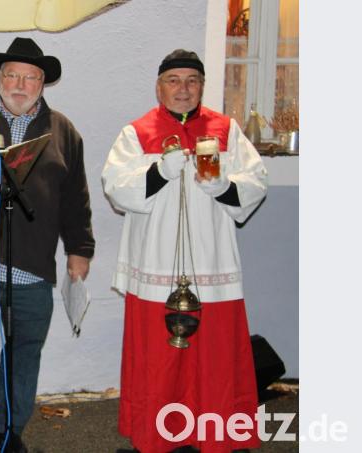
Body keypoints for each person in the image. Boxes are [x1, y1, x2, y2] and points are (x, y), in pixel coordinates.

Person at [101, 49, 268, 453]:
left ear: (202, 86)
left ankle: (215, 434)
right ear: (159, 86)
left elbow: (256, 179)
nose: (183, 89)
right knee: (159, 357)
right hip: (154, 259)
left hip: (213, 262)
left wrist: (222, 186)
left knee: (215, 355)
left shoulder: (225, 129)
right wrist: (160, 170)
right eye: (173, 80)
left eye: (192, 80)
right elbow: (116, 187)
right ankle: (157, 434)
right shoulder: (137, 133)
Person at [0, 37, 95, 452]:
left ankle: (9, 436)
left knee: (23, 360)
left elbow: (76, 197)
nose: (20, 84)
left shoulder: (63, 130)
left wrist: (80, 251)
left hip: (33, 269)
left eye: (30, 77)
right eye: (12, 75)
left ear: (43, 83)